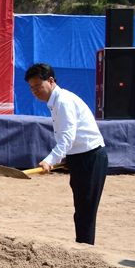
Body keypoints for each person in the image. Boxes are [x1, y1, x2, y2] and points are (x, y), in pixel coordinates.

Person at [25, 63, 108, 245]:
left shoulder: (63, 101)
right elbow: (71, 138)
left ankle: (85, 252)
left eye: (38, 85)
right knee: (82, 210)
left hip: (90, 157)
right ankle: (83, 249)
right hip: (80, 157)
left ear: (51, 81)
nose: (35, 90)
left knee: (85, 212)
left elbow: (68, 137)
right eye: (31, 87)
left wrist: (49, 160)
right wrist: (67, 158)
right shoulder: (56, 102)